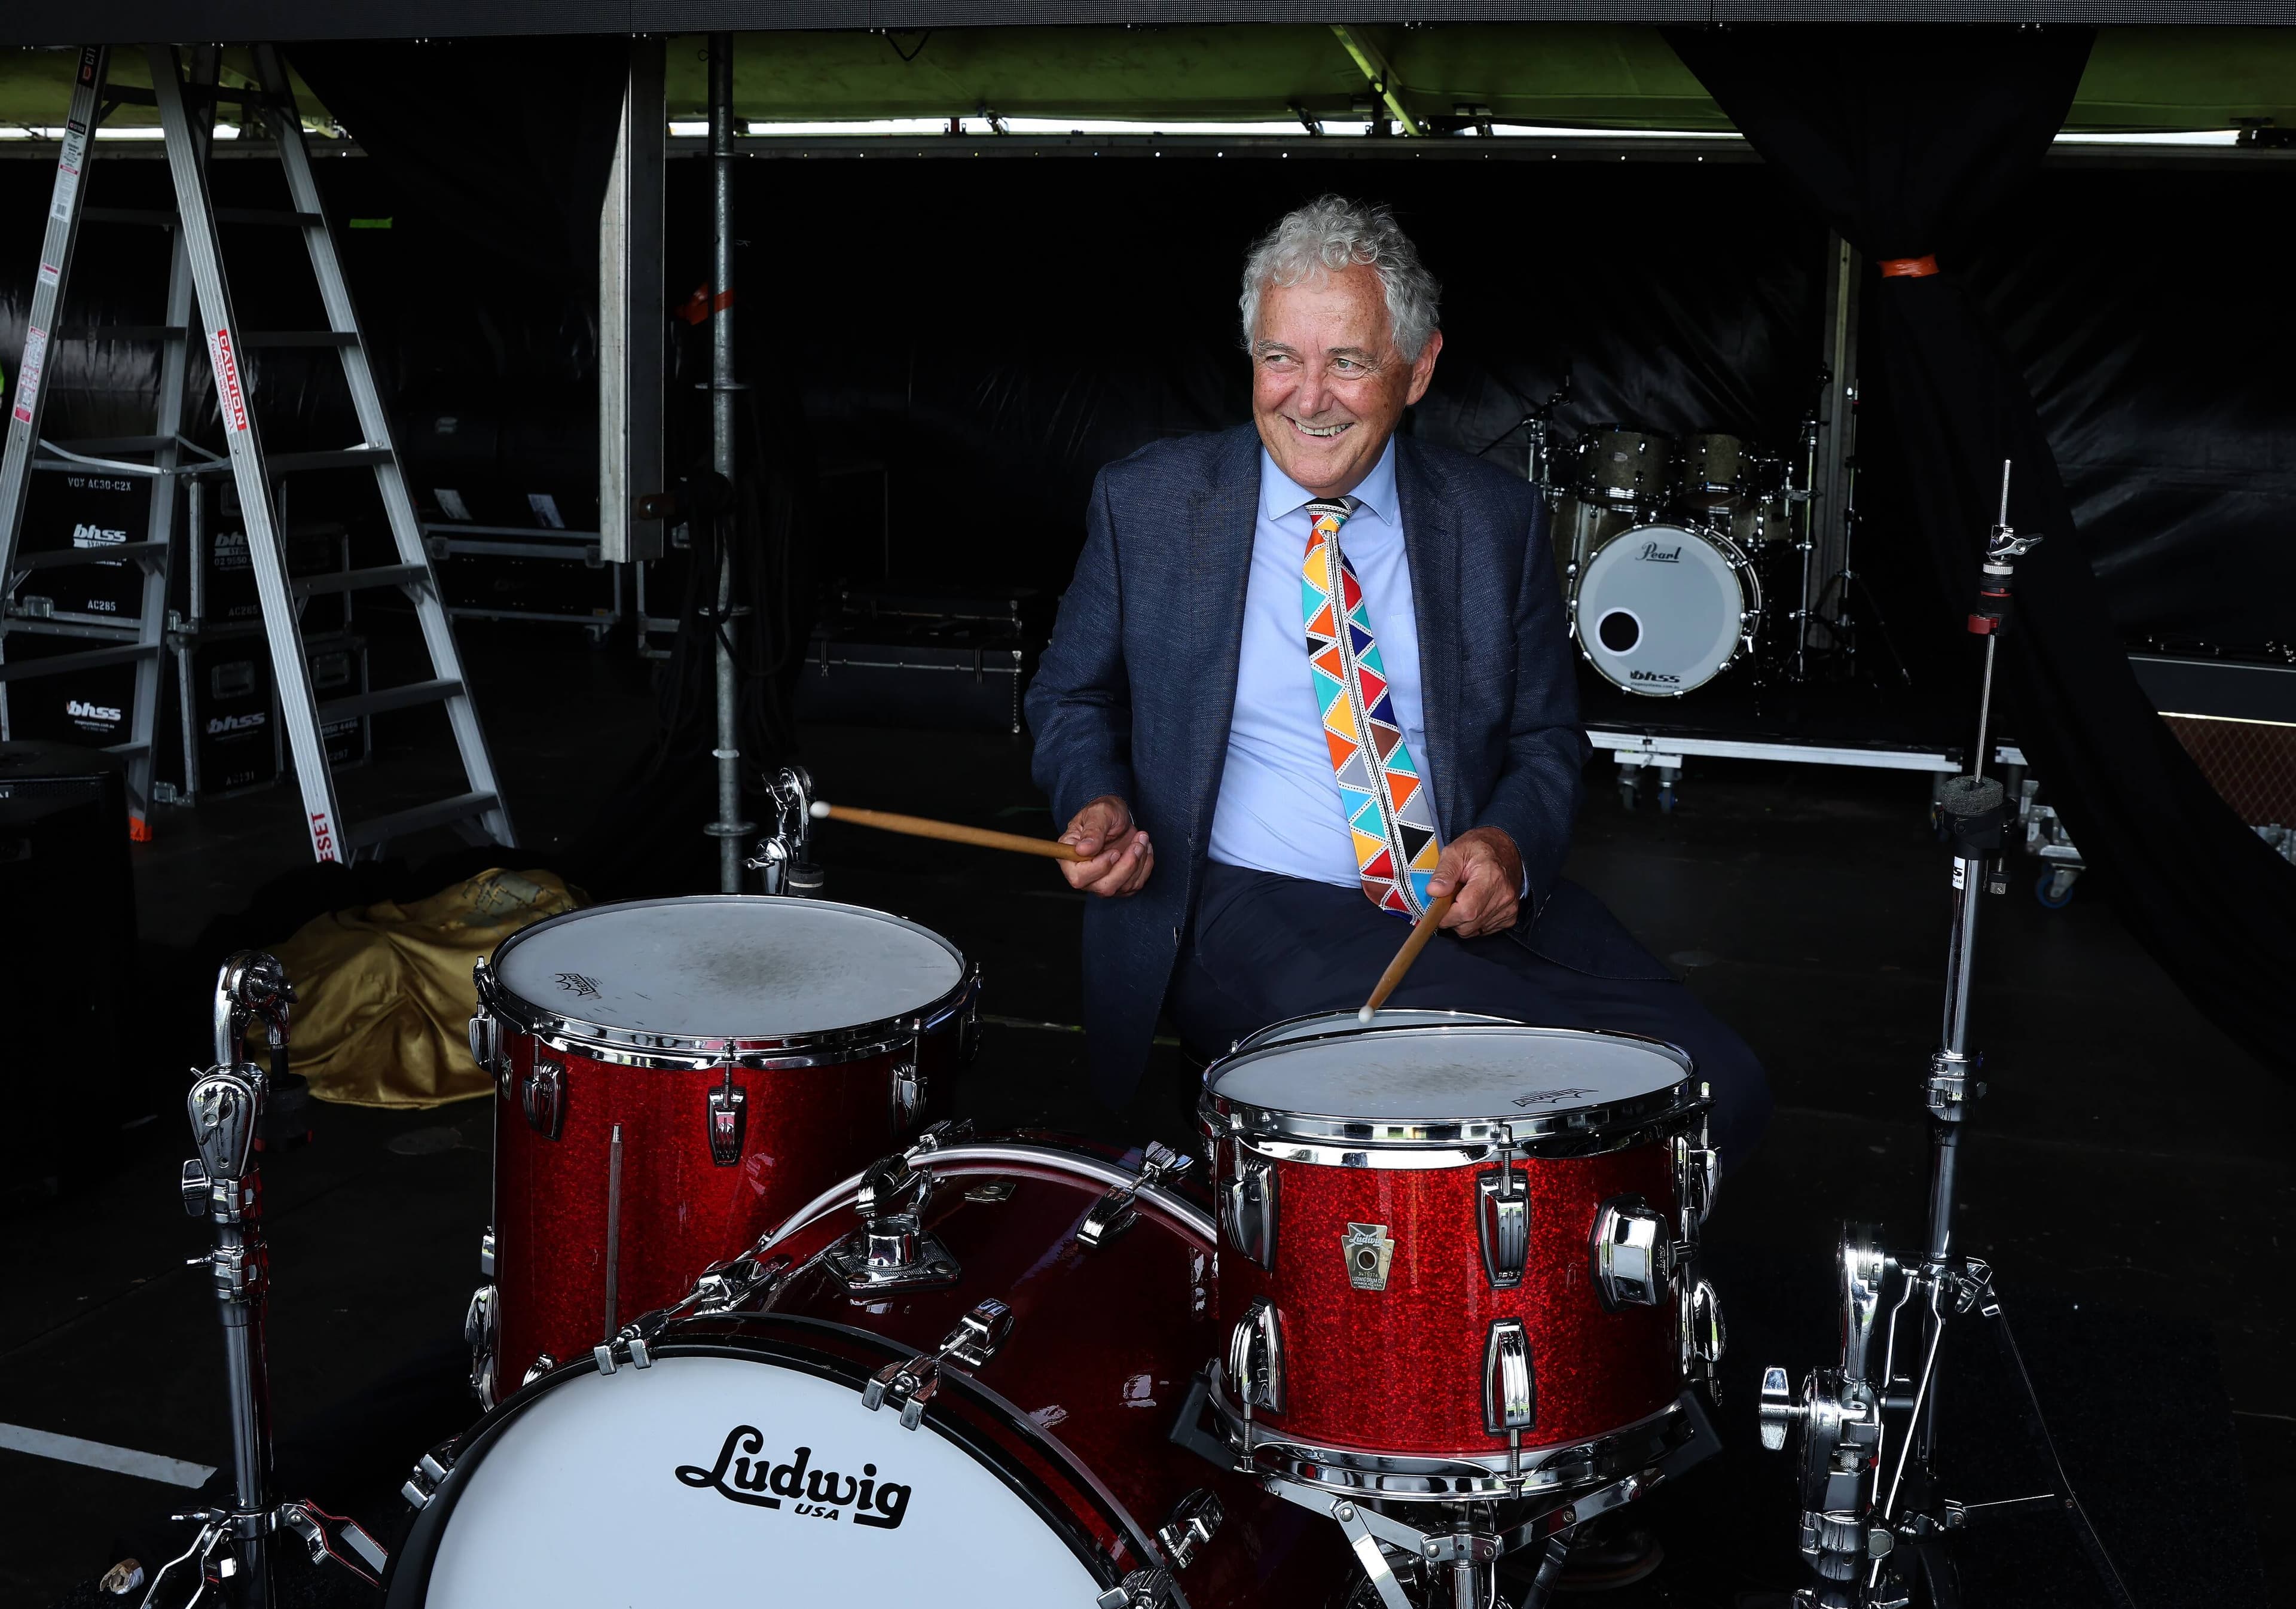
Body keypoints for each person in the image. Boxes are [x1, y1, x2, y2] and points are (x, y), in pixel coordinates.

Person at [1024, 195, 1769, 1176]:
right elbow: (1069, 697)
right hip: (1243, 899)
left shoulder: (1493, 518)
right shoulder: (1151, 501)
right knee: (1485, 1088)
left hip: (1456, 905)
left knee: (1718, 1086)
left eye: (1349, 361)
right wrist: (1096, 800)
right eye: (1280, 357)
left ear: (1418, 370)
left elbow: (1547, 740)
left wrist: (1507, 845)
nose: (1307, 396)